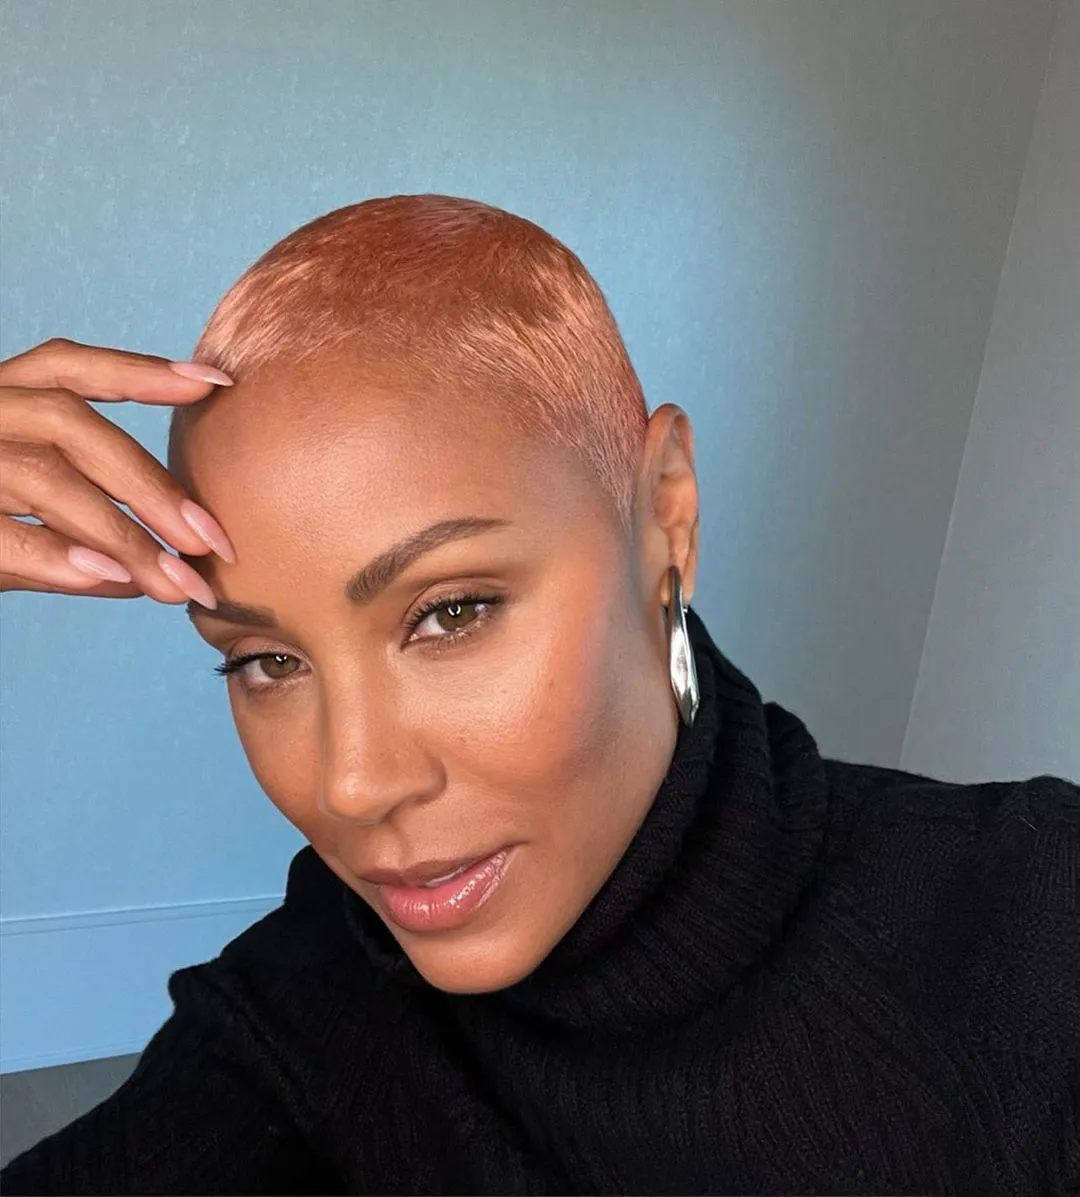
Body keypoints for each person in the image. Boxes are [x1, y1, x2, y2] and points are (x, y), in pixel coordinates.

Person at [0, 195, 1076, 1197]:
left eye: (451, 611)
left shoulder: (1037, 926)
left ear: (666, 514)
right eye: (265, 662)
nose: (355, 784)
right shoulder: (302, 1011)